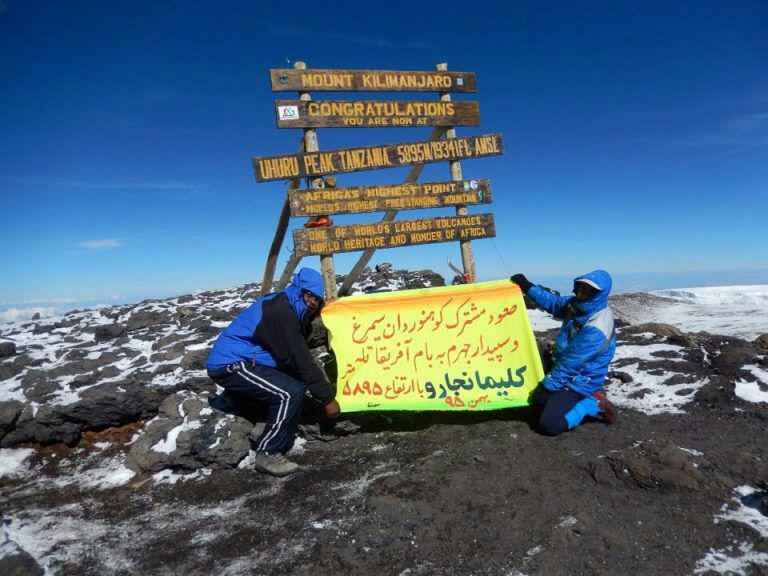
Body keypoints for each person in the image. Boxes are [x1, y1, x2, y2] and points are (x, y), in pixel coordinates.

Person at [206, 268, 340, 476]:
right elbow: (299, 357)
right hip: (230, 364)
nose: (313, 302)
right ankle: (268, 452)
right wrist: (327, 399)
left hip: (252, 359)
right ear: (300, 290)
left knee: (292, 383)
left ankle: (264, 423)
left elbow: (295, 352)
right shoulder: (280, 311)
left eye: (317, 298)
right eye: (309, 295)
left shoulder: (292, 304)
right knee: (289, 393)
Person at [511, 270, 618, 436]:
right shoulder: (577, 305)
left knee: (549, 424)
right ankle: (565, 396)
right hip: (562, 366)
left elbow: (573, 363)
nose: (582, 292)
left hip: (580, 378)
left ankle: (591, 402)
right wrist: (528, 287)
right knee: (535, 397)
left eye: (589, 289)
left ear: (598, 294)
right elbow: (554, 303)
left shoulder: (597, 326)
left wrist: (547, 386)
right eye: (581, 287)